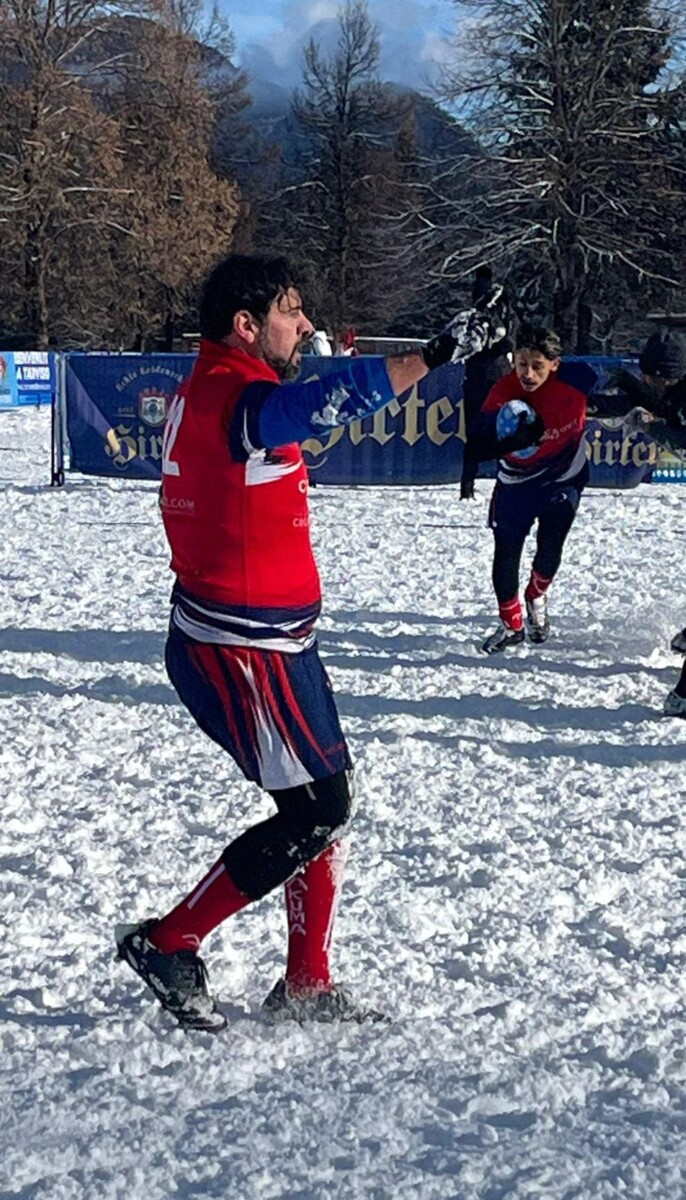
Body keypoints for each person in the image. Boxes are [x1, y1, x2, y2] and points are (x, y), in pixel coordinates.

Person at [115, 252, 473, 1032]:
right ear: (247, 326)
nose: (306, 324)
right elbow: (323, 403)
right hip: (243, 648)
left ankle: (308, 978)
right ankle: (170, 942)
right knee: (317, 809)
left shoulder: (220, 385)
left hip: (264, 641)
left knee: (323, 795)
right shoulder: (236, 394)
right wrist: (435, 357)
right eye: (292, 310)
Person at [472, 323, 590, 654]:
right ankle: (511, 626)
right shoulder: (503, 392)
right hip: (516, 483)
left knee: (550, 547)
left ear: (555, 363)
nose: (528, 373)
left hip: (563, 476)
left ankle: (536, 595)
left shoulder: (576, 378)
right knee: (506, 552)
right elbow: (479, 437)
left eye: (538, 365)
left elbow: (615, 397)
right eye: (521, 363)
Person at [592, 327, 686, 718]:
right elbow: (660, 403)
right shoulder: (676, 388)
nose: (649, 381)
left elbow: (680, 436)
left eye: (652, 375)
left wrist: (647, 427)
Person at [459, 267, 512, 500]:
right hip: (495, 376)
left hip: (475, 377)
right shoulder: (497, 311)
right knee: (503, 431)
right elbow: (507, 342)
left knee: (474, 433)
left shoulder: (470, 313)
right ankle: (505, 481)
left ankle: (467, 485)